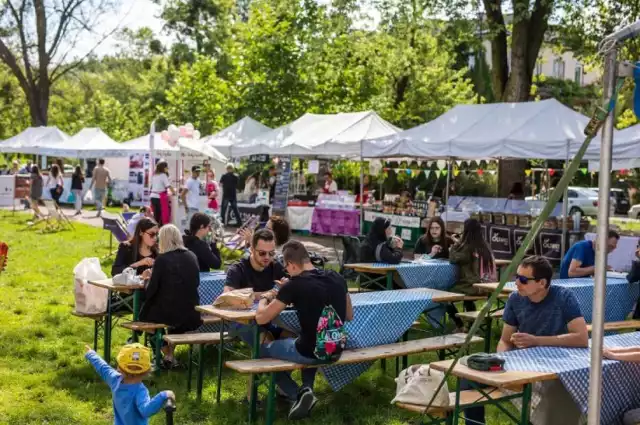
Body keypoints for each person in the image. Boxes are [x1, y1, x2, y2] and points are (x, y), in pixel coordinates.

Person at [463, 256, 587, 425]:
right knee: (468, 376)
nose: (516, 283)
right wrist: (501, 360)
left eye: (523, 279)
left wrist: (537, 340)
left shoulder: (564, 297)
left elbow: (581, 338)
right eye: (516, 277)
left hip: (557, 364)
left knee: (554, 394)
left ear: (542, 283)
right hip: (523, 361)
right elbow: (505, 340)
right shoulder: (515, 299)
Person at [256, 240, 353, 420]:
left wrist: (265, 298)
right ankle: (307, 388)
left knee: (261, 352)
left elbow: (261, 318)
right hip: (336, 348)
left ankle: (297, 393)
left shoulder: (294, 286)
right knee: (308, 339)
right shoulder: (337, 277)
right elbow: (349, 315)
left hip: (310, 351)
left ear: (291, 264)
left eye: (286, 267)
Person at [140, 224, 202, 367]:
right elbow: (196, 282)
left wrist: (146, 279)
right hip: (191, 309)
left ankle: (165, 352)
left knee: (145, 319)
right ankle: (169, 356)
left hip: (169, 311)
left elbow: (151, 291)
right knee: (173, 318)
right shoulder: (192, 256)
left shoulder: (162, 259)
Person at [84, 343, 175, 425]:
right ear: (146, 370)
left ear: (120, 367)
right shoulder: (140, 391)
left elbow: (102, 367)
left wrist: (91, 354)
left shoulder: (114, 379)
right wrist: (163, 395)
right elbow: (146, 411)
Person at [448, 218, 495, 330]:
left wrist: (454, 246)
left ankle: (460, 325)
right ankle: (472, 325)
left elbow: (453, 259)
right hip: (487, 285)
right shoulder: (485, 246)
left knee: (445, 298)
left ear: (466, 230)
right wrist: (459, 242)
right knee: (467, 297)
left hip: (473, 286)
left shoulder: (468, 247)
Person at [150, 160, 172, 226]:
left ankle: (155, 231)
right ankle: (160, 231)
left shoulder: (154, 175)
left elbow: (151, 187)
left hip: (153, 197)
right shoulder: (163, 175)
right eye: (166, 167)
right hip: (159, 197)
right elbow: (168, 185)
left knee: (156, 216)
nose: (167, 169)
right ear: (163, 168)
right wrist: (174, 192)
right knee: (162, 216)